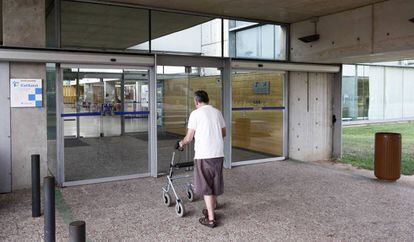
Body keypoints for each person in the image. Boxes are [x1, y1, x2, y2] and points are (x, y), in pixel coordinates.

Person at [179, 90, 226, 228]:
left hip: (203, 155)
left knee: (206, 186)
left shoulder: (196, 114)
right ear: (207, 99)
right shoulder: (217, 112)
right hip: (218, 153)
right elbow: (223, 133)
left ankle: (211, 219)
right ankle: (213, 205)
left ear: (196, 101)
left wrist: (181, 143)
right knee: (215, 181)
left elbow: (189, 138)